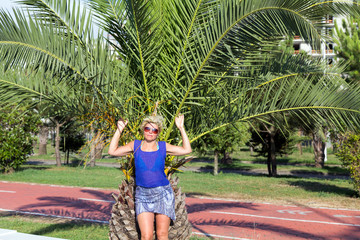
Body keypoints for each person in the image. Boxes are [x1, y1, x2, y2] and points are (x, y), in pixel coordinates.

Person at [108, 114, 192, 240]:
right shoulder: (135, 145)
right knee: (146, 236)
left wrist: (181, 128)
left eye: (154, 130)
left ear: (158, 133)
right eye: (148, 129)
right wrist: (119, 129)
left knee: (162, 235)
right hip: (142, 195)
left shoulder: (163, 146)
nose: (150, 132)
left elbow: (187, 150)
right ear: (143, 130)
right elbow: (112, 151)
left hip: (163, 194)